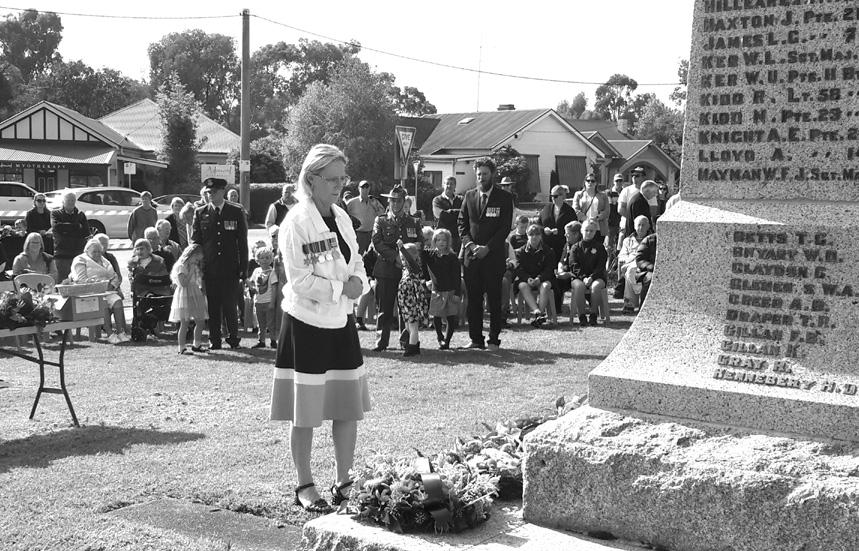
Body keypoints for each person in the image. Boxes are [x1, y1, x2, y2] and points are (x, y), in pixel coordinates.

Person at [270, 144, 370, 513]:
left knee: (347, 407)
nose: (340, 185)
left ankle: (345, 481)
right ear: (311, 179)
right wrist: (343, 289)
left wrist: (359, 282)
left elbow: (356, 260)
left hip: (341, 321)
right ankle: (305, 484)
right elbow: (299, 281)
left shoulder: (341, 216)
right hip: (307, 324)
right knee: (306, 411)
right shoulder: (296, 221)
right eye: (332, 179)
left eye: (343, 178)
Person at [458, 157, 514, 351]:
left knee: (494, 299)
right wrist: (471, 245)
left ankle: (493, 340)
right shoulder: (469, 196)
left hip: (493, 257)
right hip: (472, 257)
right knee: (473, 300)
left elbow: (504, 228)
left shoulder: (504, 198)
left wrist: (487, 248)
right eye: (479, 174)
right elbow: (462, 224)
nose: (481, 177)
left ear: (493, 174)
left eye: (485, 174)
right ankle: (476, 339)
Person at [192, 177, 249, 349]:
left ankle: (233, 337)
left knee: (230, 305)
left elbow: (242, 242)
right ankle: (214, 339)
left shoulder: (235, 211)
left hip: (230, 267)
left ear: (222, 192)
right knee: (213, 306)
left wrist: (243, 269)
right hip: (210, 268)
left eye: (214, 192)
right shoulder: (200, 212)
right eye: (208, 192)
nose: (210, 195)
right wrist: (196, 268)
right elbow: (196, 243)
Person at [370, 184, 423, 352]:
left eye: (398, 200)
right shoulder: (381, 220)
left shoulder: (413, 221)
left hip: (406, 272)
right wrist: (396, 257)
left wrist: (410, 254)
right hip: (386, 269)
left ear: (404, 201)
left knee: (405, 308)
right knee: (384, 308)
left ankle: (406, 341)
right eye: (392, 200)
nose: (395, 203)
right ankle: (381, 342)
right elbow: (377, 243)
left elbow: (420, 242)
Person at [71, 238, 128, 342]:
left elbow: (114, 276)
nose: (97, 254)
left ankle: (121, 332)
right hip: (89, 293)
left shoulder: (104, 260)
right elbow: (81, 280)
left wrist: (112, 286)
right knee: (103, 302)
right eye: (94, 252)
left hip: (107, 290)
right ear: (87, 251)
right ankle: (110, 334)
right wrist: (98, 284)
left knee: (117, 301)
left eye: (99, 251)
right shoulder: (80, 260)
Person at [422, 228, 461, 350]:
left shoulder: (452, 257)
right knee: (436, 316)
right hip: (437, 291)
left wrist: (457, 293)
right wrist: (426, 280)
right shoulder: (430, 255)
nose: (441, 242)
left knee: (450, 317)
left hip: (450, 291)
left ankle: (447, 341)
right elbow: (420, 258)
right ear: (434, 241)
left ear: (448, 241)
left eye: (444, 240)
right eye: (438, 240)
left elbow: (457, 277)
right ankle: (440, 337)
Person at [169, 244, 208, 355]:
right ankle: (181, 347)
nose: (197, 262)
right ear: (191, 255)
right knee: (184, 323)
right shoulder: (180, 267)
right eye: (196, 259)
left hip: (195, 293)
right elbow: (183, 283)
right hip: (184, 295)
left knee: (200, 321)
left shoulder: (194, 267)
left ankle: (197, 344)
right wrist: (190, 270)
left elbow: (197, 280)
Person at [514, 224, 556, 327]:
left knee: (546, 286)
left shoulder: (549, 251)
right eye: (531, 234)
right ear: (527, 235)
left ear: (541, 236)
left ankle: (539, 316)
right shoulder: (520, 252)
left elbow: (549, 269)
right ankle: (538, 312)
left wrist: (539, 278)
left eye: (537, 234)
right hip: (526, 280)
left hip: (543, 279)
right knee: (522, 286)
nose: (534, 237)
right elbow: (518, 269)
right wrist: (527, 278)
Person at [569, 220, 608, 327]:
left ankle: (593, 315)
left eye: (591, 231)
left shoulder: (600, 247)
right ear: (582, 231)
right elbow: (573, 265)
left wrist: (592, 277)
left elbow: (601, 266)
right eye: (586, 230)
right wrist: (584, 277)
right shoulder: (575, 247)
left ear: (595, 232)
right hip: (578, 278)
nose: (589, 233)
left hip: (597, 277)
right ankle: (582, 316)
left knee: (595, 286)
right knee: (579, 287)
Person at [397, 241, 430, 357]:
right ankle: (415, 347)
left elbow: (410, 260)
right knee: (408, 326)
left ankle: (411, 349)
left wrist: (402, 249)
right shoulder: (405, 270)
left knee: (413, 326)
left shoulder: (415, 268)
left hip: (413, 302)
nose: (403, 259)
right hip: (405, 302)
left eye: (404, 257)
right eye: (401, 257)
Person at [51, 190, 89, 283]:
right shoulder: (55, 213)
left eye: (73, 200)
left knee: (78, 282)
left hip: (78, 253)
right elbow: (57, 227)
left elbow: (85, 232)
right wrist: (77, 226)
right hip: (61, 254)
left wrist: (66, 230)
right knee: (62, 282)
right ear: (63, 201)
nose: (71, 202)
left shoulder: (81, 214)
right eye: (68, 200)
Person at [618, 215, 651, 314]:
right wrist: (630, 260)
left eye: (643, 225)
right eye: (639, 225)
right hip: (630, 263)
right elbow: (622, 256)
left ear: (648, 226)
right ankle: (634, 302)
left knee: (631, 271)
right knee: (631, 270)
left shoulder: (652, 239)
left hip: (646, 265)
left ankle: (630, 303)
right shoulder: (627, 240)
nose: (641, 227)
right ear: (634, 226)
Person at [501, 214, 530, 323]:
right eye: (522, 227)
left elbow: (512, 258)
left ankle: (505, 310)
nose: (524, 229)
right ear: (516, 225)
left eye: (525, 227)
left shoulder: (528, 237)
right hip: (512, 267)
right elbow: (513, 254)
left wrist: (510, 263)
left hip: (521, 265)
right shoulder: (512, 237)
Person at [249, 246, 278, 349]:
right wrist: (250, 286)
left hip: (268, 301)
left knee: (271, 323)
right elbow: (252, 283)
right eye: (262, 258)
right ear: (257, 260)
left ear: (271, 259)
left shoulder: (272, 272)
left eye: (267, 258)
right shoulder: (256, 271)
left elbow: (274, 288)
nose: (264, 260)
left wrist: (272, 302)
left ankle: (273, 341)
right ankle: (261, 341)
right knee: (260, 324)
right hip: (258, 301)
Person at [346, 180, 385, 254]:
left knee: (373, 255)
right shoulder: (351, 203)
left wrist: (375, 207)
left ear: (369, 188)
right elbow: (343, 215)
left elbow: (382, 215)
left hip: (373, 234)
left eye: (367, 187)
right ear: (359, 188)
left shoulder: (374, 201)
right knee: (358, 255)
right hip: (359, 235)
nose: (365, 189)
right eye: (362, 187)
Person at [553, 220, 583, 312]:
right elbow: (562, 260)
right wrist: (560, 270)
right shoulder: (567, 244)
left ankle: (591, 306)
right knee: (556, 280)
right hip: (566, 274)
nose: (565, 235)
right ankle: (557, 309)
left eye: (567, 233)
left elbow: (582, 267)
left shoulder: (582, 246)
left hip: (579, 276)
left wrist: (569, 274)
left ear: (576, 234)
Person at [572, 174, 609, 240]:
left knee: (598, 245)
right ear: (584, 182)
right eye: (588, 180)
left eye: (593, 181)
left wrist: (597, 218)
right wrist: (585, 218)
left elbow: (607, 211)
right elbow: (575, 210)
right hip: (583, 227)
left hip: (598, 227)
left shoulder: (603, 195)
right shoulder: (578, 194)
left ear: (596, 183)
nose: (590, 183)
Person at [432, 177, 463, 253]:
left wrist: (448, 212)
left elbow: (465, 213)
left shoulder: (461, 199)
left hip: (458, 237)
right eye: (447, 183)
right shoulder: (437, 200)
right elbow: (439, 214)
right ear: (443, 185)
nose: (449, 186)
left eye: (451, 184)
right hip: (442, 238)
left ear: (455, 186)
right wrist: (458, 213)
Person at [618, 166, 646, 246]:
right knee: (622, 247)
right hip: (626, 226)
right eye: (633, 175)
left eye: (637, 176)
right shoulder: (626, 190)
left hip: (643, 227)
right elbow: (620, 209)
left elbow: (653, 210)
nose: (634, 177)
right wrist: (632, 220)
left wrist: (641, 221)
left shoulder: (648, 190)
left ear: (643, 177)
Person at [265, 183, 298, 251]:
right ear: (282, 193)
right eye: (286, 192)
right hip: (280, 240)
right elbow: (269, 224)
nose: (288, 195)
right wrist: (277, 232)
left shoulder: (299, 205)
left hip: (296, 239)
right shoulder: (275, 206)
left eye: (291, 192)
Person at [636, 230, 657, 306]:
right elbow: (640, 259)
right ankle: (643, 307)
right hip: (651, 271)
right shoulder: (649, 240)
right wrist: (652, 267)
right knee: (650, 279)